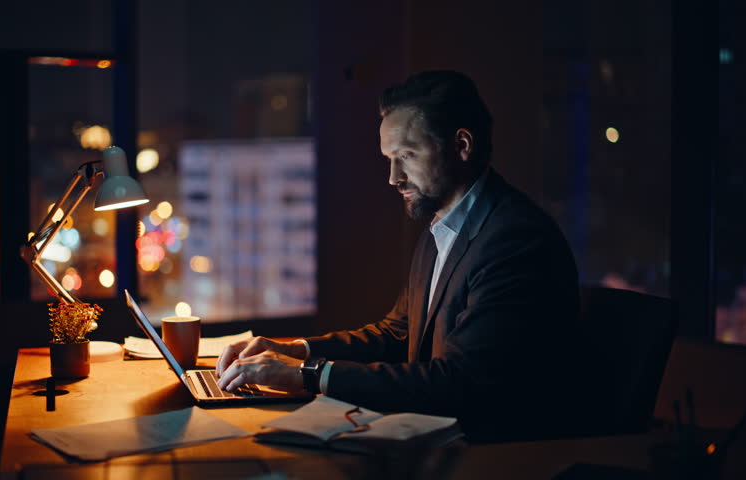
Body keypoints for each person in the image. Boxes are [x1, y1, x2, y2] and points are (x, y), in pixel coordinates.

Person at [216, 71, 582, 442]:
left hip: (497, 453)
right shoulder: (442, 227)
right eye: (390, 158)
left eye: (407, 155)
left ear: (462, 145)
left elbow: (460, 381)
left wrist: (309, 373)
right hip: (441, 437)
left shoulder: (515, 240)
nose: (394, 177)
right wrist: (296, 350)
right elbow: (397, 334)